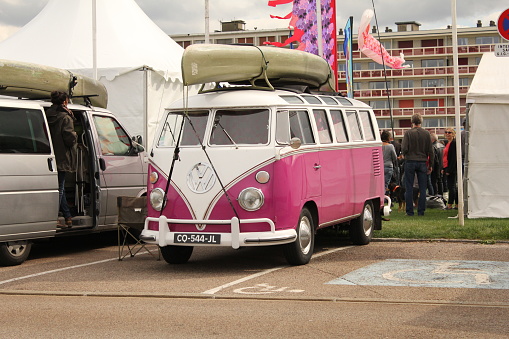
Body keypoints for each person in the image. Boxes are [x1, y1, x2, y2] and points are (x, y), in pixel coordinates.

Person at [45, 91, 77, 228]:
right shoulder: (66, 117)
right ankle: (54, 217)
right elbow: (70, 139)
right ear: (64, 101)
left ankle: (67, 215)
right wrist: (76, 135)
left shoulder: (46, 114)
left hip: (48, 157)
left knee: (59, 188)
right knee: (60, 188)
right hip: (62, 158)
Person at [401, 113, 434, 216]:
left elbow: (404, 148)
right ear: (421, 122)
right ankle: (421, 211)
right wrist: (431, 164)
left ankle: (409, 211)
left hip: (410, 161)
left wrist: (404, 155)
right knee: (423, 188)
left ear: (412, 122)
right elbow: (431, 151)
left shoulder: (408, 133)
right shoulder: (427, 134)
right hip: (422, 161)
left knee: (409, 187)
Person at [442, 128, 458, 210]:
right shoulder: (448, 143)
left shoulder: (453, 143)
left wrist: (449, 170)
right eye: (446, 132)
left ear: (453, 134)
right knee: (453, 186)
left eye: (450, 132)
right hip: (446, 166)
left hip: (451, 168)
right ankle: (456, 204)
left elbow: (453, 158)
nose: (447, 134)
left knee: (451, 186)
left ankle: (450, 204)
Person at [430, 132, 444, 197]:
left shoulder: (433, 147)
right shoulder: (442, 146)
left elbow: (433, 158)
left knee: (434, 181)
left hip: (435, 166)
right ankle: (441, 194)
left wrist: (430, 166)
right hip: (442, 165)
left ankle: (435, 194)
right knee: (440, 181)